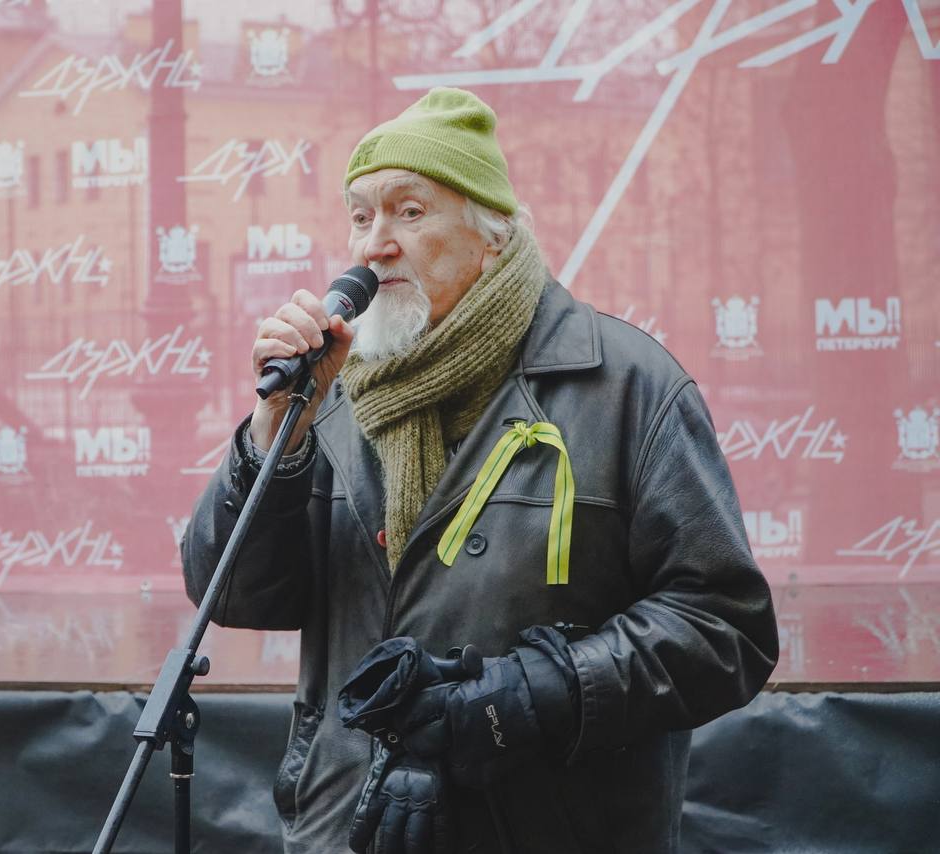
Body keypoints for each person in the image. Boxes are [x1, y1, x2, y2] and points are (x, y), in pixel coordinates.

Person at [182, 87, 778, 854]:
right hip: (350, 828)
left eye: (409, 212)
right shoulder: (327, 397)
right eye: (361, 217)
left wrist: (533, 692)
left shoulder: (627, 387)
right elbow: (234, 592)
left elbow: (724, 628)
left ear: (492, 234)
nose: (374, 245)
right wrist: (274, 435)